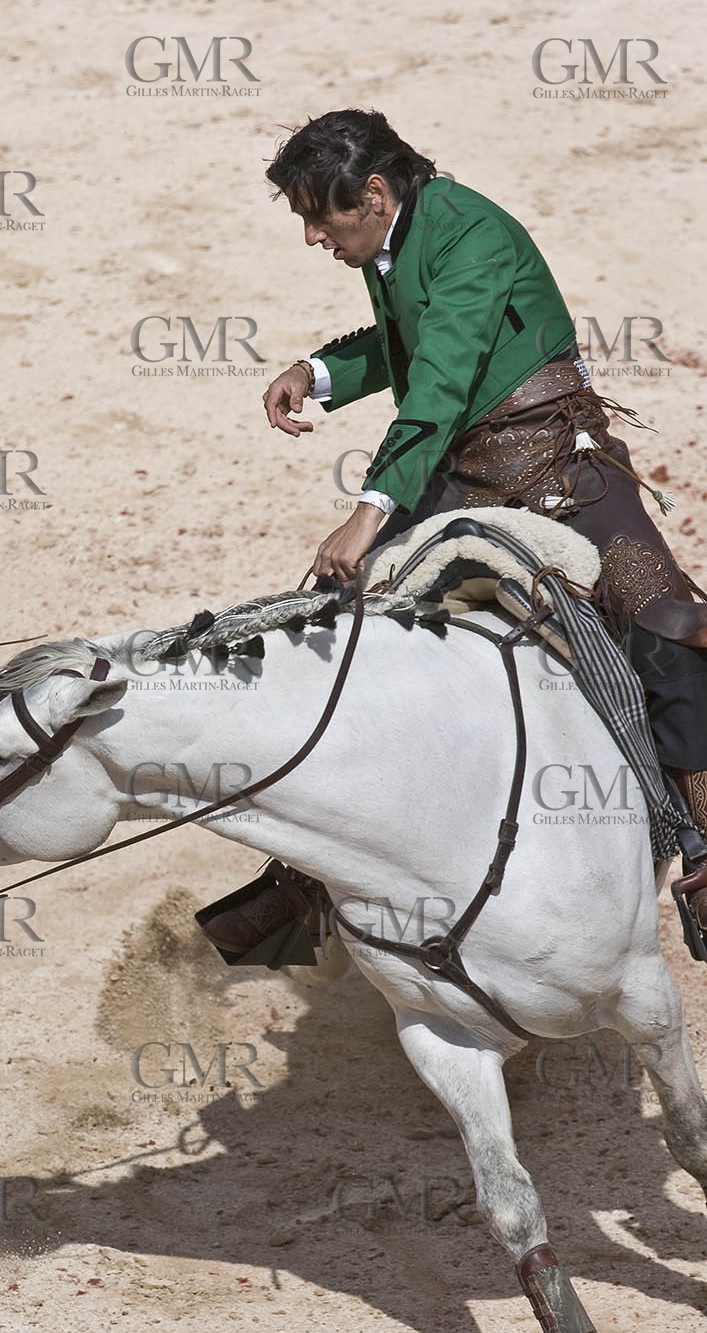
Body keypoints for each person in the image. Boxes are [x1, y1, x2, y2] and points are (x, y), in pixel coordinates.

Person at [204, 108, 707, 956]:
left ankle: (701, 849)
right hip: (455, 471)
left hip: (557, 471)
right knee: (342, 628)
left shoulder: (470, 233)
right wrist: (317, 371)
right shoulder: (398, 233)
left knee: (669, 629)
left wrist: (368, 511)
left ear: (370, 192)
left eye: (316, 216)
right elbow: (408, 343)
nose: (309, 236)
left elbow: (436, 381)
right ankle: (305, 878)